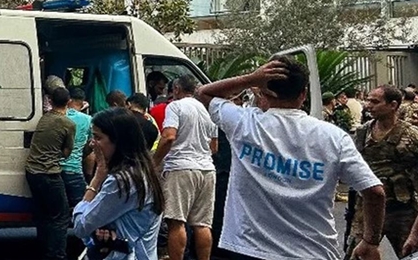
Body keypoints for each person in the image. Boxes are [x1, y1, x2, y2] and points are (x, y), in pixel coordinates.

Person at [195, 56, 385, 260]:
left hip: (248, 249)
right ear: (303, 94)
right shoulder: (334, 137)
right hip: (314, 253)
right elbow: (375, 192)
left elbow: (203, 93)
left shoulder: (244, 123)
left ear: (263, 92)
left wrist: (251, 78)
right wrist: (370, 241)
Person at [72, 108, 165, 260]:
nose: (92, 143)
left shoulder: (121, 181)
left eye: (98, 137)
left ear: (118, 141)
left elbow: (81, 226)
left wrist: (96, 180)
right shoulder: (143, 172)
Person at [344, 85, 418, 259]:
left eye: (375, 102)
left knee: (411, 254)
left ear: (393, 105)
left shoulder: (411, 136)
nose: (368, 105)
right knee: (356, 254)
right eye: (368, 100)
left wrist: (415, 233)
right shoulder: (362, 133)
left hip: (402, 210)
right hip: (368, 208)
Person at [153, 75, 217, 260]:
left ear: (176, 89)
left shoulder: (175, 106)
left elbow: (168, 136)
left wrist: (154, 162)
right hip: (207, 169)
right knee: (202, 224)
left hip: (180, 167)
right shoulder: (208, 111)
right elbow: (214, 147)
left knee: (176, 222)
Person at [25, 87, 76, 260]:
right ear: (69, 102)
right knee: (61, 216)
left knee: (43, 216)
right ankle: (57, 255)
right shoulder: (68, 124)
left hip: (32, 172)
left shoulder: (43, 118)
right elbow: (67, 152)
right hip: (49, 174)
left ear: (50, 101)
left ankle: (44, 251)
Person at [61, 87, 93, 208]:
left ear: (68, 100)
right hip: (74, 169)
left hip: (54, 169)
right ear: (83, 103)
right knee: (80, 208)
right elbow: (91, 144)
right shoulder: (88, 120)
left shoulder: (57, 116)